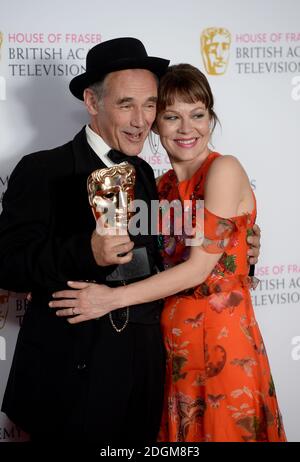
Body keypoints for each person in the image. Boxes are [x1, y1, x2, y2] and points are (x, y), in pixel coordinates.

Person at [50, 64, 285, 443]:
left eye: (198, 114)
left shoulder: (222, 169)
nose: (186, 128)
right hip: (170, 350)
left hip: (222, 344)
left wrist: (109, 300)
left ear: (211, 117)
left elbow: (197, 270)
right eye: (172, 117)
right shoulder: (158, 185)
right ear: (156, 125)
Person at [0, 37, 171, 443]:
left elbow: (157, 260)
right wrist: (85, 251)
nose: (141, 120)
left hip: (140, 375)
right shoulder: (43, 169)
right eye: (127, 104)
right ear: (93, 103)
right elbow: (6, 264)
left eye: (150, 104)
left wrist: (238, 247)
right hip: (69, 379)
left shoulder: (145, 173)